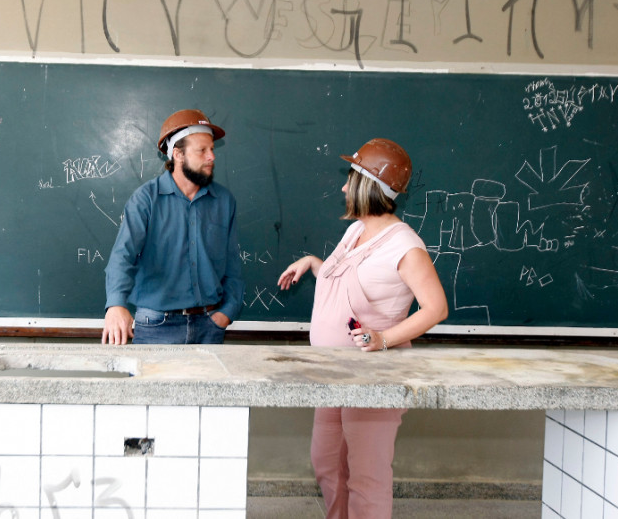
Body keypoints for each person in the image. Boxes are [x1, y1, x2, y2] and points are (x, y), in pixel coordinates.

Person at [277, 138, 448, 519]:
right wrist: (312, 263)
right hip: (334, 373)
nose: (342, 187)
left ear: (368, 184)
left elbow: (436, 307)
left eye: (349, 177)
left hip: (373, 378)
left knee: (366, 477)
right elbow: (349, 283)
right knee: (326, 461)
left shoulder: (405, 245)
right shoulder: (356, 231)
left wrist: (385, 338)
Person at [102, 109, 244, 345]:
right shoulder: (146, 198)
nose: (212, 156)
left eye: (212, 149)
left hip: (210, 326)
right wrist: (116, 304)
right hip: (156, 327)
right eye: (202, 150)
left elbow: (233, 265)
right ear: (178, 154)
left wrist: (226, 312)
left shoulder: (224, 201)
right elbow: (122, 255)